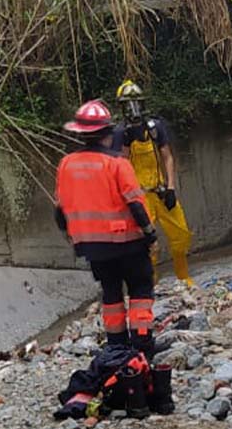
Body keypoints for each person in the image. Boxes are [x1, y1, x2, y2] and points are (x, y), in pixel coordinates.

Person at [54, 99, 158, 357]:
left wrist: (71, 236)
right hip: (127, 240)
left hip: (92, 246)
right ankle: (142, 342)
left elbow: (60, 209)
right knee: (140, 288)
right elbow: (135, 203)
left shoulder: (66, 164)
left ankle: (116, 344)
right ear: (107, 134)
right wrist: (150, 234)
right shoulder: (117, 163)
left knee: (111, 291)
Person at [114, 80, 195, 287]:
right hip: (140, 198)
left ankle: (183, 277)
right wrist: (126, 141)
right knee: (148, 246)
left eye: (136, 104)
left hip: (160, 192)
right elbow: (120, 166)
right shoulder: (120, 133)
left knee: (181, 234)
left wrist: (171, 187)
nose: (134, 110)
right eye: (128, 105)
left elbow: (167, 156)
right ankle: (150, 286)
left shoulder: (155, 128)